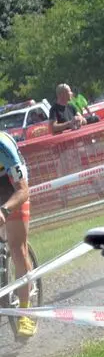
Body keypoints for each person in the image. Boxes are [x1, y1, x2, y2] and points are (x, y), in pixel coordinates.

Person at [0, 131, 35, 339]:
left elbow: (23, 190)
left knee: (17, 249)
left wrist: (4, 210)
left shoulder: (3, 145)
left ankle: (25, 314)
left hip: (12, 188)